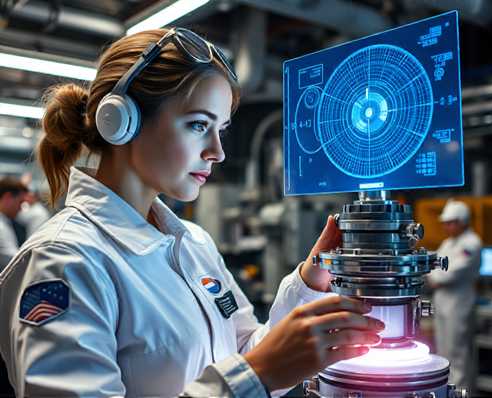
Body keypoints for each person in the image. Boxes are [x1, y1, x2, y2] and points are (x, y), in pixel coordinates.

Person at [0, 28, 384, 397]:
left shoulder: (191, 241)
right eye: (198, 124)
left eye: (221, 128)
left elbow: (250, 355)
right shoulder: (64, 260)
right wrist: (257, 375)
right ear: (120, 121)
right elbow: (253, 373)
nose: (217, 151)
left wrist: (308, 284)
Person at [427, 199, 482, 391]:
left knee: (457, 352)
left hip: (459, 301)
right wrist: (435, 275)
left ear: (463, 221)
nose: (446, 226)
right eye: (445, 223)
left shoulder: (471, 243)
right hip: (442, 300)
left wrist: (436, 277)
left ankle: (461, 391)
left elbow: (453, 272)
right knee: (443, 351)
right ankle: (447, 390)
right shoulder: (448, 243)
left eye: (450, 222)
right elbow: (434, 265)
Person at [0, 177, 27, 271]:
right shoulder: (1, 226)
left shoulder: (5, 221)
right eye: (20, 202)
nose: (21, 208)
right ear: (8, 197)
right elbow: (15, 263)